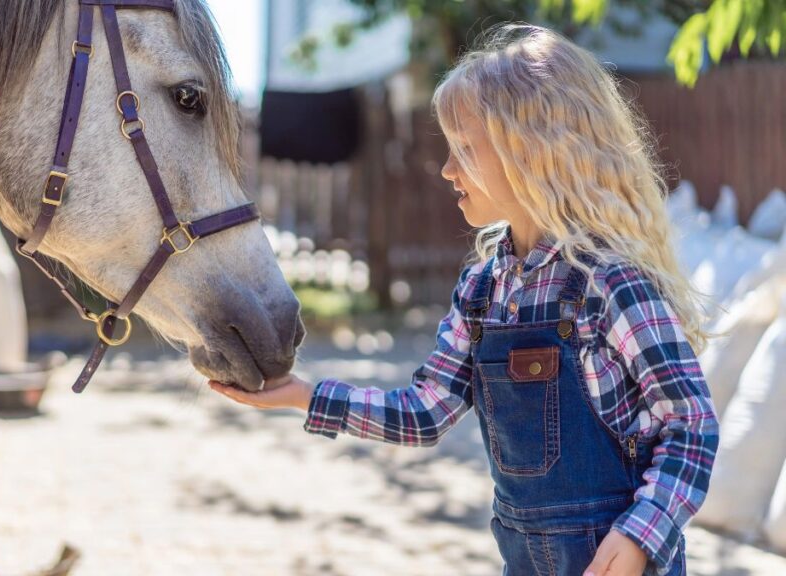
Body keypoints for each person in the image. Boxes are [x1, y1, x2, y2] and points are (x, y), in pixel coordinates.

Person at [210, 22, 719, 576]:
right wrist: (304, 397)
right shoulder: (482, 291)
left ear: (531, 151)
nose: (447, 170)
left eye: (465, 150)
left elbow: (691, 425)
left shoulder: (610, 284)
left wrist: (641, 534)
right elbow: (425, 413)